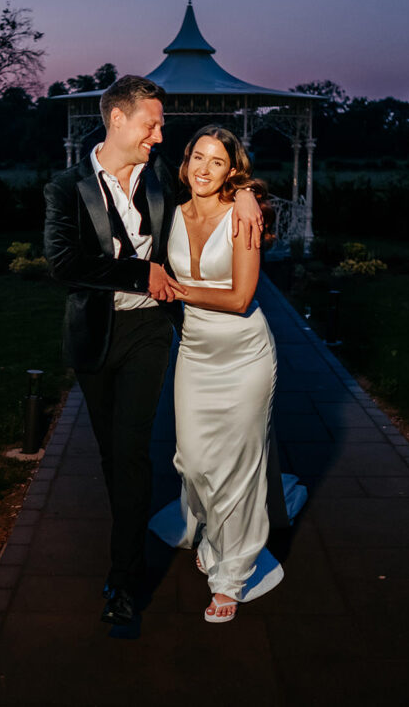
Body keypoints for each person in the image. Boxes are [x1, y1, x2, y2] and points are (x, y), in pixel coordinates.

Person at [43, 76, 263, 627]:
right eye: (152, 124)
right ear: (117, 120)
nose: (160, 135)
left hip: (149, 333)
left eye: (161, 125)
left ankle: (124, 583)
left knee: (133, 452)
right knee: (112, 458)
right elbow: (64, 264)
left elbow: (211, 179)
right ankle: (132, 533)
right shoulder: (65, 188)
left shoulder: (162, 175)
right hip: (94, 337)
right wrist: (142, 271)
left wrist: (247, 195)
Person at [148, 125, 307, 623]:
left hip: (244, 357)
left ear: (231, 171)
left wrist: (173, 289)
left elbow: (240, 298)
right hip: (194, 353)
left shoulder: (243, 218)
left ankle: (231, 575)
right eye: (198, 156)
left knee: (236, 469)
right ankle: (215, 531)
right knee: (192, 462)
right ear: (185, 161)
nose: (203, 168)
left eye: (217, 162)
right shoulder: (169, 215)